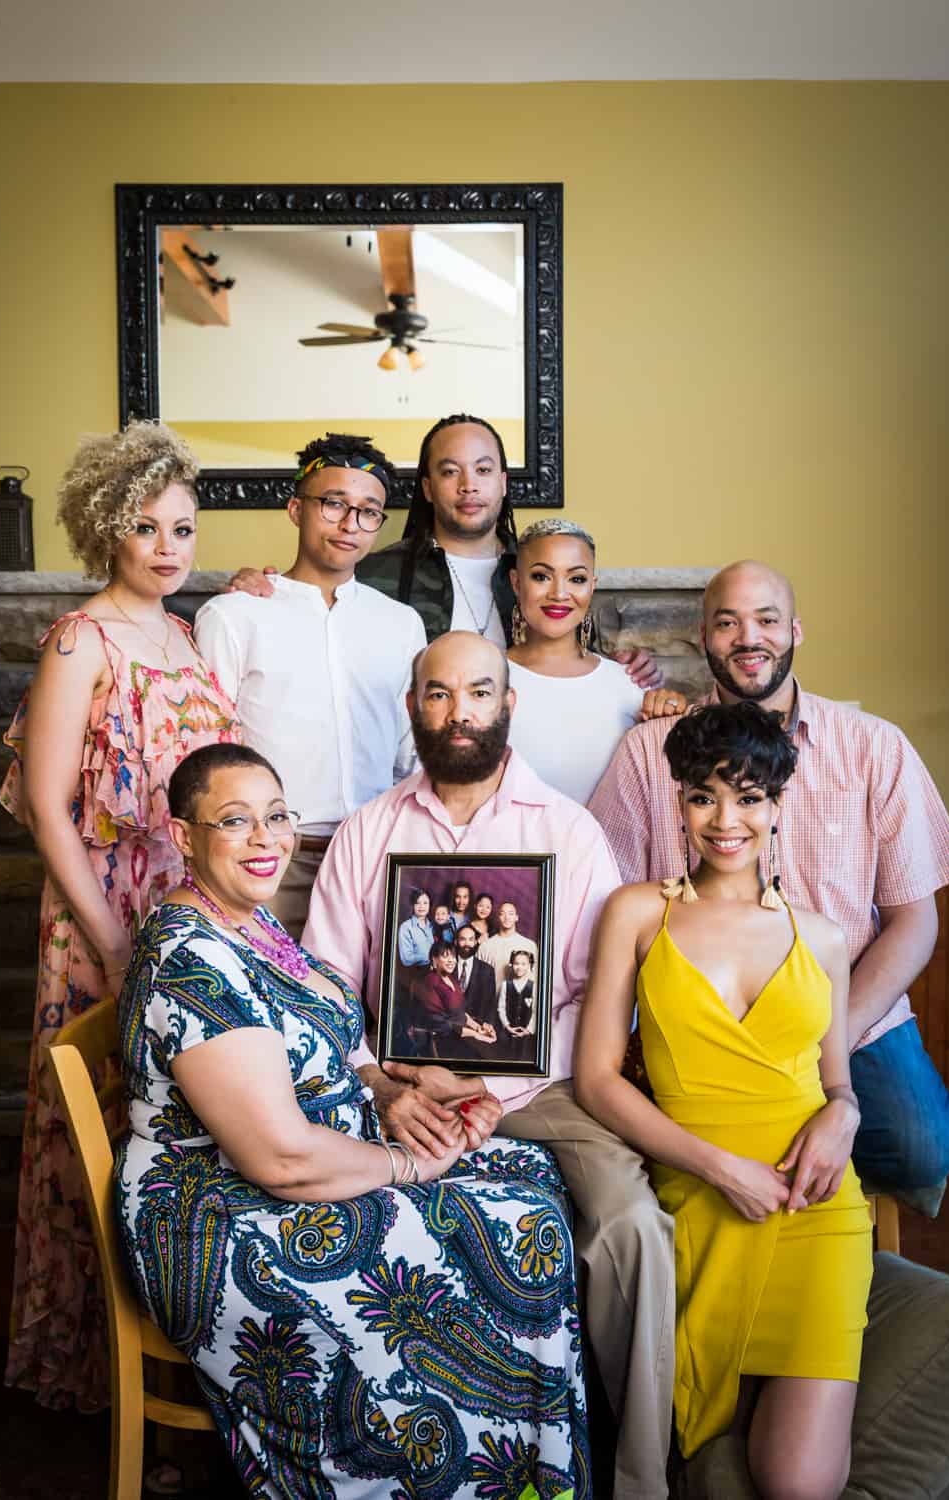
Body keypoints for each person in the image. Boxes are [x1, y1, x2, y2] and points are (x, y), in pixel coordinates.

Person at [116, 742, 591, 1499]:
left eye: (276, 817)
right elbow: (279, 1160)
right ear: (183, 837)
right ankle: (425, 1469)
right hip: (226, 1214)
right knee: (487, 1231)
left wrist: (392, 1084)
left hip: (310, 1157)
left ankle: (524, 1476)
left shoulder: (250, 922)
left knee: (529, 1180)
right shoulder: (192, 959)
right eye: (235, 821)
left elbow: (322, 1048)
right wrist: (410, 1165)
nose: (267, 839)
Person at [303, 630, 676, 1500]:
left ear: (508, 706)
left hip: (537, 1088)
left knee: (632, 1229)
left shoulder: (570, 832)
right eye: (439, 694)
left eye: (478, 692)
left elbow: (596, 996)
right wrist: (381, 1085)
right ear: (413, 709)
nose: (458, 711)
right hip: (395, 1090)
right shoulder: (368, 833)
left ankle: (645, 1477)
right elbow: (321, 992)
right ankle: (391, 1462)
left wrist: (493, 1081)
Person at [0, 421, 240, 1412]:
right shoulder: (78, 638)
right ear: (109, 531)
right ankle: (100, 1376)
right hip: (107, 915)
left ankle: (184, 1362)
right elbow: (50, 809)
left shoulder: (183, 633)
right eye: (147, 527)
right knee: (102, 1126)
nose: (168, 546)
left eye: (183, 527)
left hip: (182, 911)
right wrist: (108, 939)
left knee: (180, 1133)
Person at [576, 702, 873, 1497]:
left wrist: (844, 1113)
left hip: (815, 1210)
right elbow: (598, 1079)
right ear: (678, 801)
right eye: (704, 795)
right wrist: (719, 1168)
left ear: (779, 807)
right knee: (688, 1444)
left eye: (748, 797)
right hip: (698, 1198)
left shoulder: (824, 937)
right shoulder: (640, 912)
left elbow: (838, 1081)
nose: (725, 819)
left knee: (796, 1481)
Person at [589, 559, 949, 1202]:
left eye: (766, 620)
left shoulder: (875, 748)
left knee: (921, 1152)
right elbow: (598, 898)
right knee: (609, 1158)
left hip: (852, 1017)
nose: (747, 637)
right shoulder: (652, 750)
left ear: (797, 631)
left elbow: (915, 919)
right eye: (726, 623)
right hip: (694, 1026)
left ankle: (842, 1246)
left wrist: (826, 1039)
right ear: (703, 639)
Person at [226, 413, 662, 686]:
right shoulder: (372, 569)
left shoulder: (542, 574)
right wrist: (262, 588)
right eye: (450, 471)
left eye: (483, 470)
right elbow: (314, 615)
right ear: (429, 488)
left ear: (503, 483)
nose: (469, 484)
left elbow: (581, 666)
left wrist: (626, 669)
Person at [194, 433, 426, 937]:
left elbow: (410, 752)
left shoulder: (401, 623)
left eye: (369, 511)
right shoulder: (236, 615)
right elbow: (208, 753)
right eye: (334, 504)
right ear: (297, 509)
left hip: (374, 855)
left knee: (368, 1009)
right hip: (268, 859)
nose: (350, 525)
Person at [508, 518, 685, 804]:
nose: (559, 594)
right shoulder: (486, 679)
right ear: (516, 583)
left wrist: (674, 712)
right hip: (510, 847)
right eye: (541, 576)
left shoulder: (628, 683)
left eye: (576, 579)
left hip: (605, 847)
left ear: (592, 586)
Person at [410, 938, 498, 1060]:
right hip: (439, 1041)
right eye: (445, 957)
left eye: (453, 956)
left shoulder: (451, 979)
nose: (452, 961)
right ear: (434, 960)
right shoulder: (430, 982)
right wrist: (476, 1035)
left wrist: (478, 1027)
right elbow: (441, 1024)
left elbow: (460, 1013)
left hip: (458, 1035)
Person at [479, 901, 538, 987]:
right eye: (502, 914)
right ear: (498, 917)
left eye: (510, 914)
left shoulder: (529, 946)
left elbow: (535, 978)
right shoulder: (485, 947)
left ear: (516, 917)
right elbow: (479, 980)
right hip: (493, 999)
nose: (507, 917)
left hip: (522, 999)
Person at [454, 922, 498, 1033]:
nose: (467, 943)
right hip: (449, 1026)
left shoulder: (487, 970)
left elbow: (491, 1002)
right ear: (456, 942)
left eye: (471, 939)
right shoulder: (447, 964)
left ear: (475, 942)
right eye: (463, 939)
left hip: (476, 1029)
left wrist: (488, 1023)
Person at [497, 949, 538, 1062]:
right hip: (508, 1032)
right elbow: (501, 1008)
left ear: (530, 965)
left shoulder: (533, 986)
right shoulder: (506, 985)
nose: (519, 967)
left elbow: (535, 1010)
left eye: (523, 964)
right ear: (511, 965)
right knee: (506, 1059)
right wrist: (507, 1026)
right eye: (516, 963)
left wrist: (529, 1030)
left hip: (526, 1034)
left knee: (524, 1059)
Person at [396, 887, 435, 967]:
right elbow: (407, 959)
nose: (421, 906)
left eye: (425, 903)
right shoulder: (406, 927)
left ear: (430, 905)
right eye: (417, 903)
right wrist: (432, 957)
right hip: (417, 972)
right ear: (413, 905)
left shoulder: (433, 926)